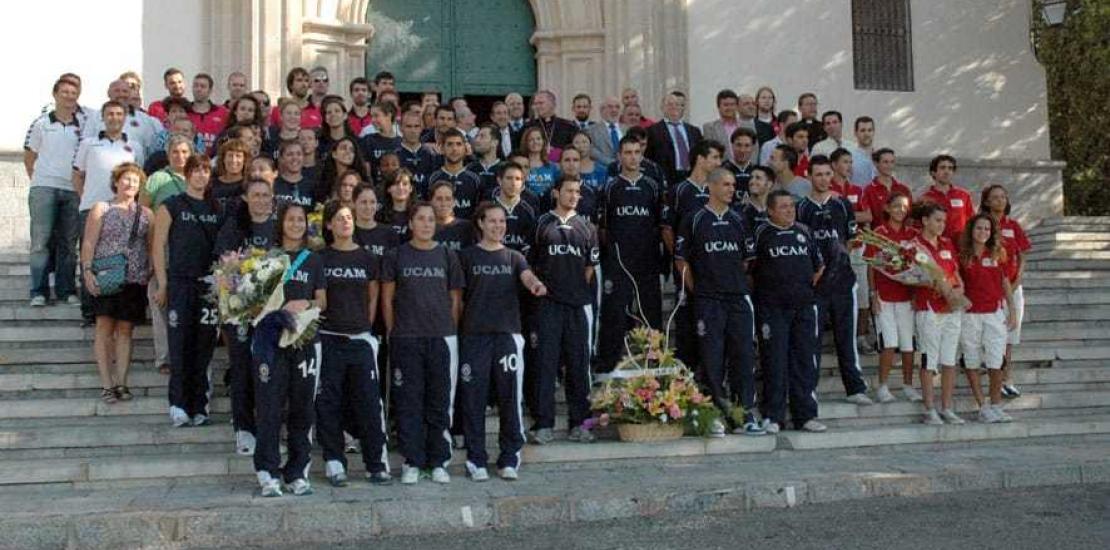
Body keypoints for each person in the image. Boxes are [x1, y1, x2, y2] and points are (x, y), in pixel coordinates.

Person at [456, 202, 547, 481]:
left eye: (502, 221)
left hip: (507, 337)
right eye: (492, 221)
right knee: (473, 400)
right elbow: (458, 299)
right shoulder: (466, 257)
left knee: (509, 398)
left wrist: (535, 285)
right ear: (481, 224)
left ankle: (509, 457)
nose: (498, 226)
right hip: (474, 337)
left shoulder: (514, 257)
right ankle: (476, 459)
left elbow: (527, 275)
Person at [381, 202, 466, 485]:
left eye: (431, 219)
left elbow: (455, 300)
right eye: (421, 219)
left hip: (441, 338)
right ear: (411, 224)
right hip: (407, 338)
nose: (427, 224)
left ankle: (439, 460)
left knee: (439, 402)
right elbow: (387, 298)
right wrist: (395, 331)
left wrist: (448, 329)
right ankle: (412, 461)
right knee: (409, 402)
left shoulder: (447, 255)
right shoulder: (397, 255)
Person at [674, 168, 761, 435]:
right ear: (710, 187)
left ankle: (744, 416)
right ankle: (715, 416)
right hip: (708, 301)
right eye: (725, 184)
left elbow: (747, 260)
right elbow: (681, 260)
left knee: (743, 358)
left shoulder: (738, 219)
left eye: (733, 185)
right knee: (712, 360)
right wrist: (697, 290)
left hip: (737, 299)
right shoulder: (695, 219)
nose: (731, 189)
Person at [252, 201, 326, 497]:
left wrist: (304, 304)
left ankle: (297, 472)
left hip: (304, 341)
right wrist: (279, 309)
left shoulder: (313, 260)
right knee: (269, 408)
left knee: (301, 409)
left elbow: (322, 301)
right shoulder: (267, 258)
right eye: (291, 219)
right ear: (281, 222)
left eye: (301, 220)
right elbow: (255, 301)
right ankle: (267, 472)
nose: (296, 224)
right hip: (271, 343)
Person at [315, 201, 391, 487]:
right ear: (329, 225)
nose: (345, 222)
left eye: (348, 217)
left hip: (360, 341)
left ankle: (376, 464)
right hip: (329, 339)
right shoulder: (319, 258)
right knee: (329, 403)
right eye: (339, 218)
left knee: (370, 404)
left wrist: (364, 327)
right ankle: (334, 462)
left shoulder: (368, 259)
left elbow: (373, 297)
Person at [152, 154, 223, 428]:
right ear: (187, 174)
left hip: (208, 287)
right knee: (179, 346)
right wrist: (162, 282)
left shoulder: (217, 208)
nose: (201, 175)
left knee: (204, 348)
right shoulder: (172, 205)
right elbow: (158, 246)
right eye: (196, 170)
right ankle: (178, 404)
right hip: (180, 283)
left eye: (206, 171)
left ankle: (199, 406)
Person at [796, 156, 872, 406]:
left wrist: (838, 264)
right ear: (809, 176)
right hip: (814, 285)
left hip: (842, 283)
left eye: (827, 174)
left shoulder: (842, 205)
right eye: (818, 174)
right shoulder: (801, 208)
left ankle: (855, 388)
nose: (824, 179)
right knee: (812, 340)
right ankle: (810, 389)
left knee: (846, 338)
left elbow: (849, 240)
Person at [529, 177, 600, 445]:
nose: (573, 196)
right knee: (546, 364)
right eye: (569, 191)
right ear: (556, 192)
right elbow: (532, 263)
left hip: (577, 306)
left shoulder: (587, 227)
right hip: (548, 304)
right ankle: (543, 424)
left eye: (578, 192)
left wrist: (575, 290)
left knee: (578, 366)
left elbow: (589, 267)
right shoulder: (541, 223)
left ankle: (580, 423)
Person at [751, 190, 826, 434]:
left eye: (791, 206)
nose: (789, 210)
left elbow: (819, 267)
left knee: (804, 361)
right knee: (775, 361)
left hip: (803, 307)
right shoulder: (762, 233)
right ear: (770, 210)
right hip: (773, 309)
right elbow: (749, 267)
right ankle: (773, 416)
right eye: (783, 207)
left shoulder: (804, 231)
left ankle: (805, 415)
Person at [79, 163, 153, 404]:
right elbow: (89, 242)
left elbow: (151, 247)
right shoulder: (102, 208)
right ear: (116, 181)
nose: (130, 184)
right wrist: (87, 270)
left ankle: (121, 381)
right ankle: (106, 383)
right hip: (107, 275)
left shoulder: (146, 214)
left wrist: (152, 273)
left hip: (134, 278)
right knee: (104, 328)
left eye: (135, 180)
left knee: (125, 330)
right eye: (126, 179)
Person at [213, 179, 275, 455]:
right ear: (247, 199)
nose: (261, 200)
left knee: (269, 373)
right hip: (240, 312)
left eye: (266, 195)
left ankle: (269, 430)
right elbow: (223, 269)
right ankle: (244, 429)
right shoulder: (234, 228)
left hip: (272, 313)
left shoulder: (279, 227)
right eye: (256, 195)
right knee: (242, 371)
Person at [74, 100, 146, 322]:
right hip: (93, 208)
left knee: (122, 259)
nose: (114, 117)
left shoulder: (135, 146)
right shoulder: (88, 143)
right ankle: (90, 310)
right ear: (103, 117)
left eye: (118, 114)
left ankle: (122, 307)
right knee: (89, 256)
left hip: (124, 210)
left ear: (124, 118)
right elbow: (77, 175)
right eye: (110, 114)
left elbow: (139, 178)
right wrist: (86, 198)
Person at [662, 140, 724, 371]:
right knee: (686, 320)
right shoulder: (679, 190)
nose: (719, 163)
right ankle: (686, 373)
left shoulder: (716, 189)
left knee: (712, 322)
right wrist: (678, 258)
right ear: (700, 158)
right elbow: (667, 229)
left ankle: (711, 374)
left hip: (714, 268)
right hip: (686, 266)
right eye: (715, 157)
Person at [25, 77, 83, 307]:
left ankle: (66, 290)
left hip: (71, 190)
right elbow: (29, 155)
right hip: (44, 188)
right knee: (40, 241)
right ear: (55, 94)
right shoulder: (41, 123)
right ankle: (38, 291)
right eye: (65, 92)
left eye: (73, 92)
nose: (69, 96)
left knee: (69, 243)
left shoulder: (83, 125)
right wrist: (38, 180)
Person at [958, 214, 1016, 423]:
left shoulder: (998, 253)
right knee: (972, 360)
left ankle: (996, 404)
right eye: (979, 228)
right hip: (970, 316)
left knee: (995, 362)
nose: (983, 232)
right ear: (971, 230)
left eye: (987, 229)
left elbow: (1006, 283)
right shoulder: (962, 255)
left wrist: (1013, 310)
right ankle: (982, 406)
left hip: (994, 314)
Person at [912, 202, 966, 425]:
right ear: (925, 220)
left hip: (951, 309)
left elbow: (955, 272)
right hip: (930, 308)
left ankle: (947, 407)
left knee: (949, 360)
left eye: (944, 221)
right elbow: (922, 274)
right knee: (929, 359)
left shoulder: (947, 243)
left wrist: (959, 290)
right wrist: (943, 290)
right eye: (937, 220)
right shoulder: (915, 246)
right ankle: (929, 408)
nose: (941, 225)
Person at [866, 193, 923, 403]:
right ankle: (882, 386)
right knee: (889, 343)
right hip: (884, 297)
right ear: (888, 208)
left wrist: (916, 292)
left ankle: (908, 385)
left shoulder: (914, 234)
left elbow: (921, 266)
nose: (901, 210)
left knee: (908, 344)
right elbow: (872, 267)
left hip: (907, 298)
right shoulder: (878, 233)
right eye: (897, 206)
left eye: (905, 207)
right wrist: (873, 295)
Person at [981, 184, 1031, 398]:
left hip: (1013, 288)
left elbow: (1023, 255)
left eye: (1003, 197)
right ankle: (994, 377)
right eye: (995, 197)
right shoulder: (982, 226)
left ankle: (1007, 378)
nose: (1000, 201)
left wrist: (1018, 278)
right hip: (991, 290)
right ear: (986, 202)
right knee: (994, 336)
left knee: (1010, 337)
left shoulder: (1013, 225)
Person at [829, 148, 875, 354]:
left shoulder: (858, 189)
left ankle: (862, 336)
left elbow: (868, 216)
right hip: (834, 249)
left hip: (857, 248)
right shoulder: (826, 189)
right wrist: (853, 215)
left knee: (863, 295)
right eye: (845, 162)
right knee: (836, 297)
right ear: (834, 165)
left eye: (850, 162)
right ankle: (840, 338)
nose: (849, 166)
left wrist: (845, 214)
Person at [646, 92, 704, 188]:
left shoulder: (694, 131)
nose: (674, 107)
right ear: (662, 107)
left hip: (692, 177)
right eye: (669, 104)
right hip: (667, 179)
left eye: (677, 104)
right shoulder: (652, 131)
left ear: (683, 108)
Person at [425, 129, 481, 219]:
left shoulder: (475, 179)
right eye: (450, 144)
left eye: (459, 144)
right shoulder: (433, 178)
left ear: (465, 149)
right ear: (442, 148)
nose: (454, 149)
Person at [920, 155, 975, 242]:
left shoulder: (963, 195)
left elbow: (972, 222)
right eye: (942, 168)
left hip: (960, 245)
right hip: (936, 245)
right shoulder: (925, 198)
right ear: (933, 172)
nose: (947, 171)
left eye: (950, 168)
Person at [860, 148, 912, 225]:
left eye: (892, 162)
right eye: (885, 162)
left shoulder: (904, 189)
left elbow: (910, 217)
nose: (889, 166)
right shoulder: (868, 190)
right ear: (876, 163)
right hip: (878, 235)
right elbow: (867, 220)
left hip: (901, 236)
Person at [359, 101, 401, 184]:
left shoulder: (401, 142)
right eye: (372, 116)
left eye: (376, 116)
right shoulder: (367, 141)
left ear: (389, 115)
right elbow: (366, 172)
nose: (373, 120)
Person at [353, 183, 400, 257]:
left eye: (372, 202)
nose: (368, 207)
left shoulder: (389, 233)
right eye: (363, 202)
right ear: (354, 203)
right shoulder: (348, 233)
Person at [188, 73, 229, 154]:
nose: (198, 89)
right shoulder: (185, 112)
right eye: (195, 86)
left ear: (210, 90)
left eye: (203, 86)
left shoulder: (223, 112)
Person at [396, 111, 436, 192]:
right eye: (409, 126)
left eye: (416, 126)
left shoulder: (431, 155)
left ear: (421, 128)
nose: (413, 131)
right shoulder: (394, 156)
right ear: (400, 128)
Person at [209, 138, 251, 214]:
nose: (234, 160)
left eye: (238, 156)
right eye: (230, 155)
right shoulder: (210, 184)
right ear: (223, 159)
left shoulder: (249, 185)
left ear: (245, 160)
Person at [430, 181, 476, 251]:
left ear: (454, 202)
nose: (443, 203)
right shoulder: (426, 227)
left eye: (448, 199)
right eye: (439, 199)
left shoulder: (467, 227)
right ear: (431, 201)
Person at [273, 140, 317, 209]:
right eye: (290, 154)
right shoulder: (273, 184)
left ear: (303, 158)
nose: (294, 158)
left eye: (299, 154)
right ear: (281, 159)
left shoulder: (313, 186)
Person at [702, 89, 747, 155]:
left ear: (737, 106)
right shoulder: (709, 128)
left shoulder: (748, 126)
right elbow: (709, 153)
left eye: (732, 104)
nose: (729, 108)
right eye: (726, 105)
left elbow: (754, 151)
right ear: (718, 107)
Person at [520, 126, 560, 198]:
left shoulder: (553, 166)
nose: (535, 142)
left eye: (538, 139)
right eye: (531, 140)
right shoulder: (521, 165)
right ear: (526, 143)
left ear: (543, 141)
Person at [586, 96, 624, 166]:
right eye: (610, 107)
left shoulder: (627, 130)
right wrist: (613, 164)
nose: (614, 110)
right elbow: (591, 151)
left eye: (617, 107)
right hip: (603, 171)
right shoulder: (591, 130)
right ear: (602, 110)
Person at [722, 128, 757, 204]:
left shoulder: (757, 171)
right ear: (732, 146)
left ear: (753, 147)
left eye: (747, 146)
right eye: (738, 145)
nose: (742, 150)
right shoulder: (722, 170)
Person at [466, 124, 502, 196]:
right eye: (477, 136)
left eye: (482, 136)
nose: (477, 140)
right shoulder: (469, 168)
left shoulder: (505, 168)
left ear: (494, 143)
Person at [317, 95, 356, 162]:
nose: (333, 114)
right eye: (329, 112)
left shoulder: (355, 141)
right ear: (325, 118)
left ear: (345, 115)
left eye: (337, 111)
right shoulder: (319, 143)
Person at [379, 169, 415, 239]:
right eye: (396, 183)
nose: (400, 188)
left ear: (411, 188)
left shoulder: (417, 215)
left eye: (405, 184)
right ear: (389, 188)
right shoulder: (380, 216)